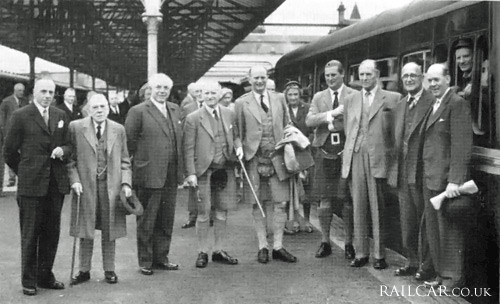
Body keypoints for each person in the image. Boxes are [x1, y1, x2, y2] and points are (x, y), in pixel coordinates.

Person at [4, 78, 70, 296]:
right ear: (34, 92)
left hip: (54, 185)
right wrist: (25, 172)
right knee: (31, 234)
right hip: (31, 185)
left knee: (51, 233)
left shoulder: (60, 115)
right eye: (43, 91)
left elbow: (70, 145)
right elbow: (9, 152)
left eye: (51, 92)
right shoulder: (21, 115)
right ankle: (29, 280)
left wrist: (63, 149)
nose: (48, 95)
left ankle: (45, 275)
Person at [342, 59, 401, 270]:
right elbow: (348, 127)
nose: (364, 78)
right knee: (358, 205)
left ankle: (379, 254)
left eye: (368, 74)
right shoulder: (351, 99)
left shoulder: (392, 98)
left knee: (378, 207)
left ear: (376, 74)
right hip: (356, 155)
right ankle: (361, 253)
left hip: (379, 157)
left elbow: (396, 132)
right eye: (361, 75)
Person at [234, 65, 297, 264]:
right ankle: (262, 245)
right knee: (257, 203)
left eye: (263, 77)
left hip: (278, 157)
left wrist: (291, 142)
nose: (260, 81)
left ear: (267, 78)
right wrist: (238, 147)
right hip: (254, 158)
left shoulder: (279, 98)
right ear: (249, 79)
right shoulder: (241, 103)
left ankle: (278, 246)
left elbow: (288, 124)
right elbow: (237, 131)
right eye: (256, 78)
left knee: (281, 202)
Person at [68, 94, 132, 285]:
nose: (99, 111)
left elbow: (125, 161)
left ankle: (109, 269)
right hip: (85, 187)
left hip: (110, 187)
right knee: (85, 229)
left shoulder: (118, 129)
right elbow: (70, 161)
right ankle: (84, 270)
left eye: (103, 107)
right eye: (95, 107)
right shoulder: (76, 127)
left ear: (108, 108)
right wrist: (75, 180)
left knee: (110, 229)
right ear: (88, 108)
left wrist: (126, 183)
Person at [124, 73, 183, 275]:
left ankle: (161, 258)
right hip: (148, 173)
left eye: (166, 88)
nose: (162, 91)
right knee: (147, 220)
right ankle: (146, 261)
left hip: (170, 174)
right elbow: (129, 143)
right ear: (151, 89)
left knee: (166, 219)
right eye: (158, 87)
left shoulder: (175, 110)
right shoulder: (138, 111)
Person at [421, 63, 472, 289]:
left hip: (445, 180)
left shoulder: (457, 104)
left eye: (436, 80)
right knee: (435, 231)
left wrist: (455, 179)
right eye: (429, 80)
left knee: (449, 233)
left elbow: (461, 144)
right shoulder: (435, 103)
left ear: (448, 79)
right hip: (430, 177)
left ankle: (451, 279)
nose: (432, 84)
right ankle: (441, 275)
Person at [184, 82, 240, 268]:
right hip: (203, 171)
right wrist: (190, 173)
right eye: (206, 93)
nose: (210, 96)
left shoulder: (229, 113)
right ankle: (202, 251)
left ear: (219, 94)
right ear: (201, 95)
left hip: (225, 169)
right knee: (203, 212)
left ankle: (218, 250)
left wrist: (238, 147)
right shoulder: (193, 118)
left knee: (222, 211)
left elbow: (236, 135)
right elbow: (188, 148)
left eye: (213, 93)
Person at [305, 60, 356, 260]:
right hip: (324, 154)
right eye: (327, 76)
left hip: (346, 153)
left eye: (333, 75)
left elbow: (356, 120)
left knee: (347, 201)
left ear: (343, 75)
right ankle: (325, 241)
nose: (330, 79)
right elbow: (310, 121)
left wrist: (339, 124)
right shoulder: (319, 97)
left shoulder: (353, 95)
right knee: (324, 202)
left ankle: (349, 242)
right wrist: (330, 115)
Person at [390, 62, 435, 279]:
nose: (409, 79)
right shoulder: (400, 105)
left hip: (422, 171)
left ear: (422, 77)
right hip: (402, 172)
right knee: (407, 221)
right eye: (405, 76)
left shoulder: (431, 101)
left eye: (413, 76)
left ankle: (426, 266)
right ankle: (412, 261)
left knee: (425, 221)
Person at [284, 81, 313, 234]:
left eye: (296, 94)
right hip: (289, 152)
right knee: (290, 188)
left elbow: (312, 128)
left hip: (305, 151)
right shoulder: (283, 109)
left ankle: (307, 220)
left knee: (306, 188)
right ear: (286, 96)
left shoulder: (307, 108)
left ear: (300, 95)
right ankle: (293, 220)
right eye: (290, 95)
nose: (293, 97)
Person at [180, 83, 206, 229]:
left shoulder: (214, 106)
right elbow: (184, 131)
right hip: (194, 151)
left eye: (202, 90)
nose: (201, 93)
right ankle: (193, 216)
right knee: (193, 186)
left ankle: (207, 215)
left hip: (209, 151)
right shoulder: (187, 108)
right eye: (198, 91)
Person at [0, 82, 28, 188]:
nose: (21, 92)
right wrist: (4, 132)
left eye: (23, 90)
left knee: (22, 154)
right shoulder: (6, 102)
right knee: (11, 153)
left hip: (22, 132)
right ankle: (12, 178)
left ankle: (21, 175)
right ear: (15, 90)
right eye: (19, 90)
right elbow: (2, 118)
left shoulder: (25, 101)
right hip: (10, 132)